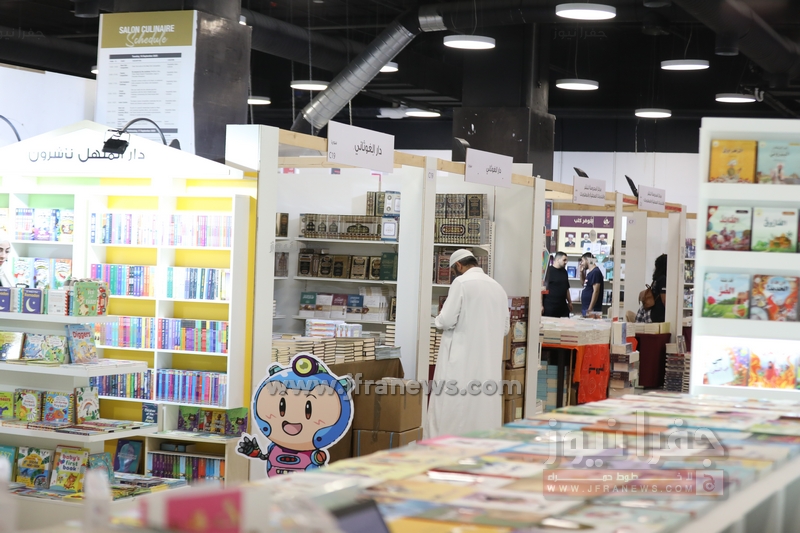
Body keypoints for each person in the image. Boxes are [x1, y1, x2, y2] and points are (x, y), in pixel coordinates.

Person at [425, 249, 510, 438]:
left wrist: (436, 320)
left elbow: (446, 320)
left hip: (460, 362)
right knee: (483, 407)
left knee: (454, 408)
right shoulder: (498, 288)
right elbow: (505, 328)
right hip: (488, 364)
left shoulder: (461, 283)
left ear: (458, 265)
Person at [543, 252, 572, 317]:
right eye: (564, 260)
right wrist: (541, 305)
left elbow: (566, 288)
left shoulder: (564, 272)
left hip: (562, 307)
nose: (566, 262)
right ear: (557, 260)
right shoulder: (548, 271)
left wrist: (570, 302)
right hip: (550, 306)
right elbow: (542, 290)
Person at [580, 252, 604, 317]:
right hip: (586, 307)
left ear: (587, 260)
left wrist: (590, 309)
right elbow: (584, 284)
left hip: (592, 309)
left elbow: (596, 291)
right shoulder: (590, 273)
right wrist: (581, 272)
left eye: (582, 261)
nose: (581, 263)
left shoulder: (595, 272)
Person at [650, 254, 668, 323]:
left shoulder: (656, 279)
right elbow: (664, 300)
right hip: (661, 315)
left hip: (655, 313)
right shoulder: (663, 279)